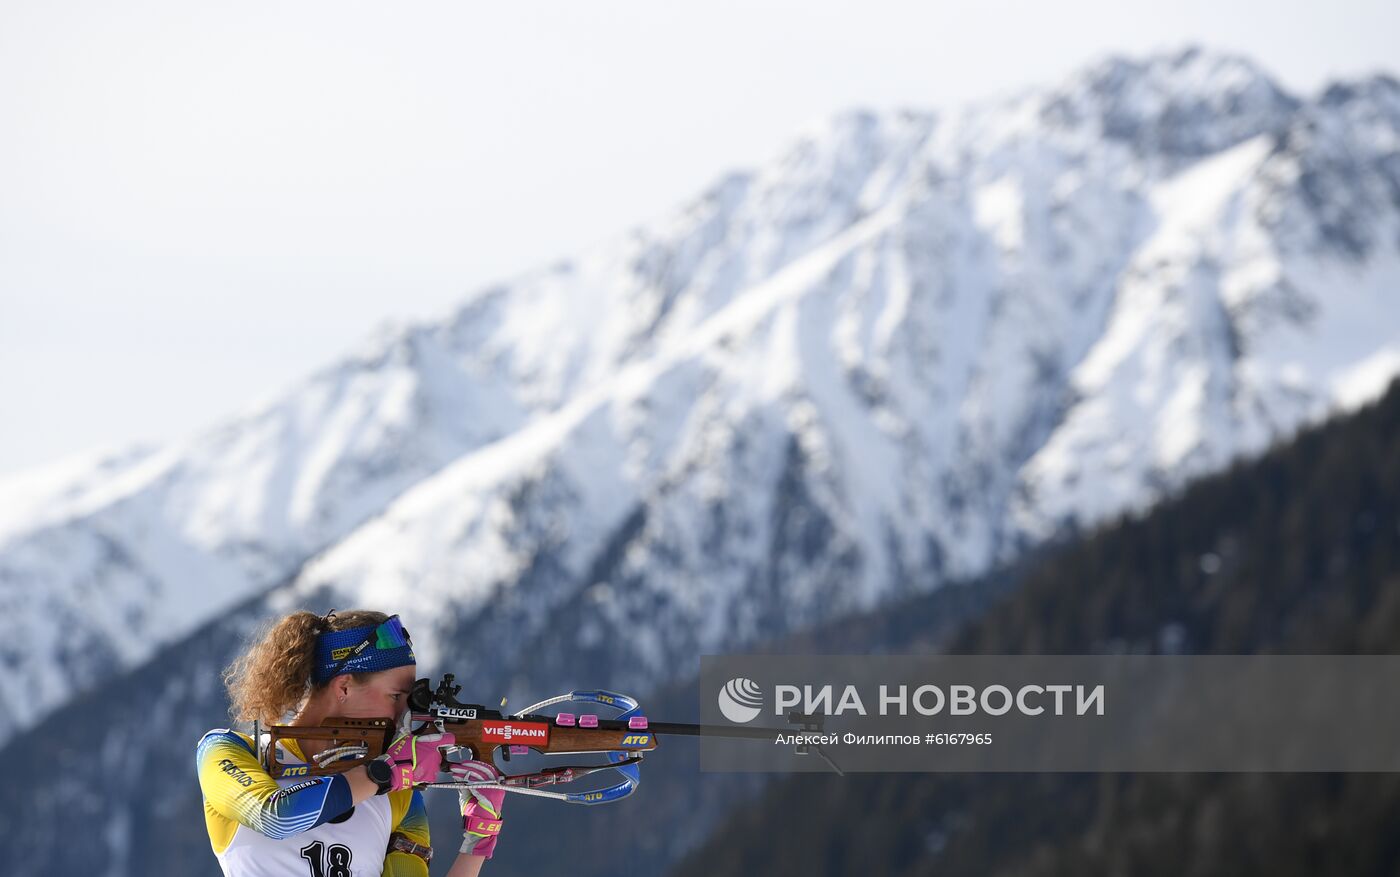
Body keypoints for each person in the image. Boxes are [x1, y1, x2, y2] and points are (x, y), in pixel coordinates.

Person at [196, 609, 507, 876]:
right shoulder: (229, 749)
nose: (404, 716)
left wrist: (477, 842)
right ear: (344, 687)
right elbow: (276, 817)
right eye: (395, 697)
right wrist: (383, 774)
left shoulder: (399, 794)